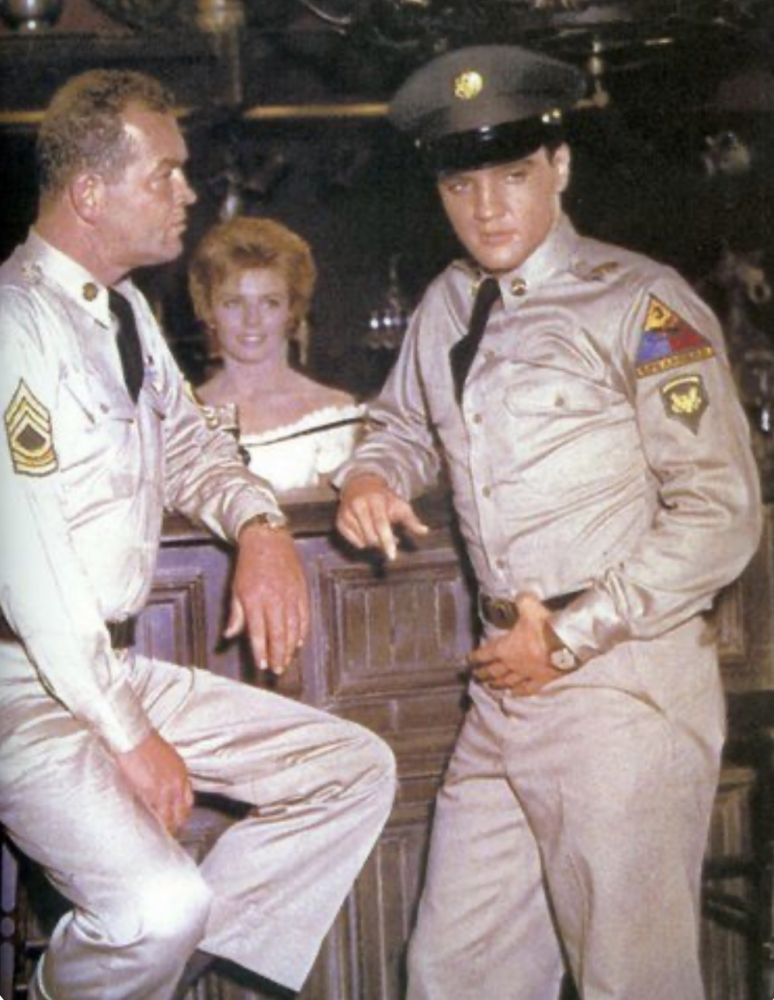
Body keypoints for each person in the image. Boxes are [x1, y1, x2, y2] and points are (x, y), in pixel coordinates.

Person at [334, 44, 763, 1000]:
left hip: (616, 684)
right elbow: (402, 424)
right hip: (502, 687)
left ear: (559, 167)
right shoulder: (448, 303)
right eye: (461, 184)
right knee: (455, 973)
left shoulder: (643, 304)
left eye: (513, 177)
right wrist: (371, 474)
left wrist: (570, 638)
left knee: (631, 981)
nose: (487, 208)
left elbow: (721, 512)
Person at [0, 69, 395, 1000]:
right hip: (23, 682)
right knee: (157, 907)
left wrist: (259, 525)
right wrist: (132, 739)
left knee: (351, 768)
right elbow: (34, 576)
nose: (187, 192)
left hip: (108, 666)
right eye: (165, 175)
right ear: (90, 193)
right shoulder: (15, 322)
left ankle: (152, 978)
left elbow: (190, 449)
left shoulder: (124, 311)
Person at [189, 215, 365, 493]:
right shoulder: (182, 417)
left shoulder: (334, 412)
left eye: (269, 303)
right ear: (208, 310)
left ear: (292, 309)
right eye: (233, 303)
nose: (252, 320)